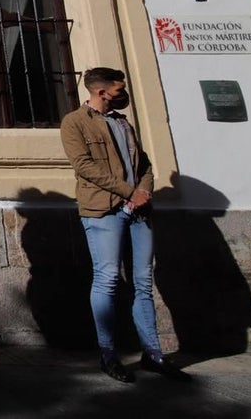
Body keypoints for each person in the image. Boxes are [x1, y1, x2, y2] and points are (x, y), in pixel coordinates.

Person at [60, 67, 189, 383]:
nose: (123, 94)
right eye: (118, 90)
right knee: (107, 279)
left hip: (138, 211)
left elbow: (143, 163)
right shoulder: (74, 122)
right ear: (101, 92)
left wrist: (143, 190)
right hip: (103, 210)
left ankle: (153, 352)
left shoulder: (122, 121)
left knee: (143, 282)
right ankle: (108, 353)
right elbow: (84, 166)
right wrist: (128, 192)